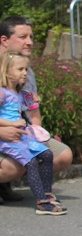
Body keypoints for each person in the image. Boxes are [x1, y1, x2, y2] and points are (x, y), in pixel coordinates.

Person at [0, 15, 73, 201]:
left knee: (61, 155)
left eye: (31, 37)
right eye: (23, 37)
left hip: (18, 131)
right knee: (14, 166)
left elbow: (33, 109)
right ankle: (8, 176)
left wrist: (35, 130)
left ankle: (13, 184)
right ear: (4, 40)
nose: (30, 42)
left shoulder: (25, 70)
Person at [0, 52, 64, 214]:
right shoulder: (1, 92)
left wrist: (34, 102)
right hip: (7, 139)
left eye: (26, 69)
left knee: (47, 154)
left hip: (21, 136)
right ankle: (42, 202)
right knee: (31, 162)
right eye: (20, 69)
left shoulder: (19, 93)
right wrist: (12, 123)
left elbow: (30, 109)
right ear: (7, 71)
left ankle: (47, 193)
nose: (25, 73)